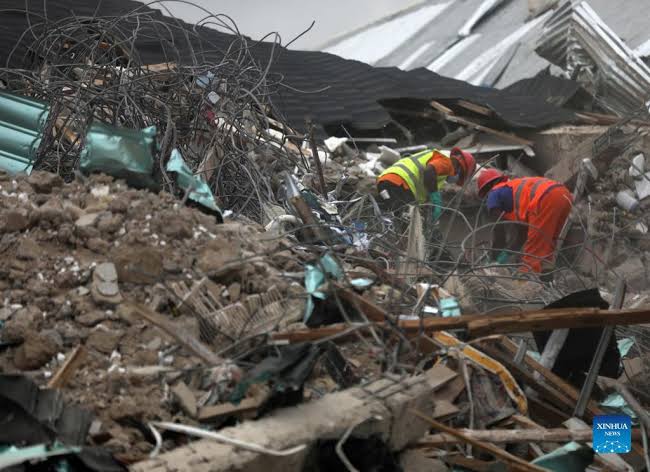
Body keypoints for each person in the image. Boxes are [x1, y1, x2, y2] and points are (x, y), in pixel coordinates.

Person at [477, 169, 572, 273]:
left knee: (532, 252)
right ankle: (547, 279)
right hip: (563, 195)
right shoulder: (516, 192)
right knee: (547, 245)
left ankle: (524, 284)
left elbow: (499, 230)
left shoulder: (494, 193)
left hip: (544, 198)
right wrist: (506, 254)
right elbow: (521, 237)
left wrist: (494, 259)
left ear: (486, 190)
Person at [376, 147, 476, 220]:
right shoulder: (447, 163)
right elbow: (429, 171)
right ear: (460, 168)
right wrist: (435, 196)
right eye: (459, 174)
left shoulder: (437, 161)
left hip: (387, 181)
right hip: (400, 184)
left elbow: (425, 182)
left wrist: (427, 203)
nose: (455, 176)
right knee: (408, 224)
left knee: (396, 220)